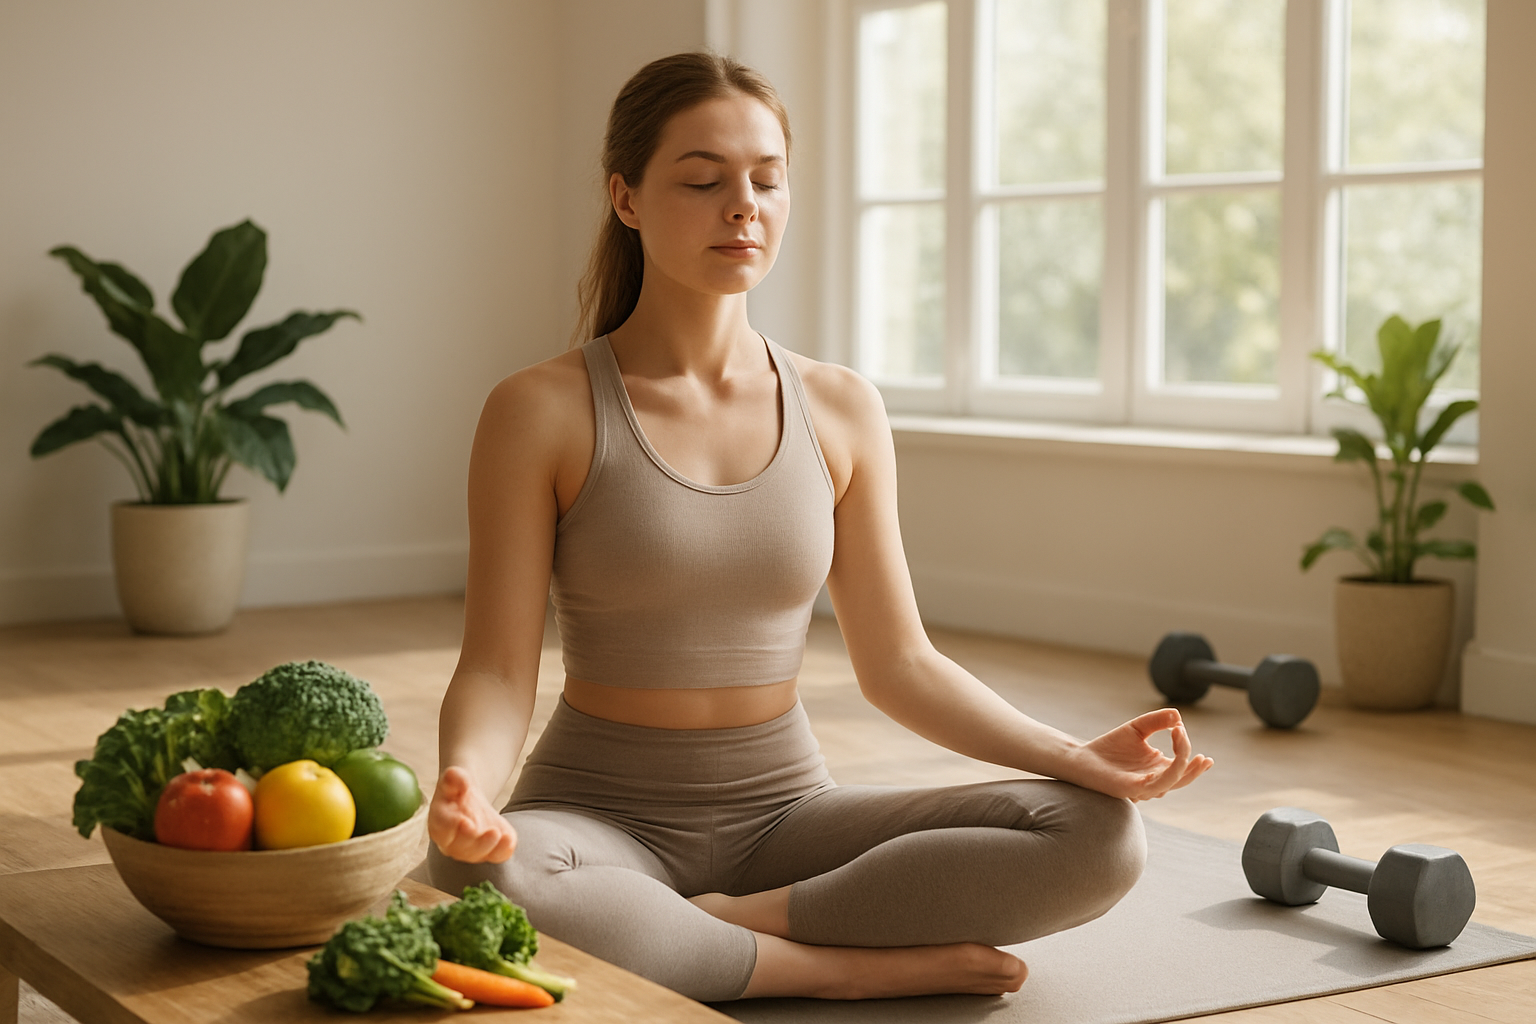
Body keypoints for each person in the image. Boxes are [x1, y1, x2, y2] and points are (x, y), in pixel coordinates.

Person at [427, 51, 1213, 1003]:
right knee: (481, 882)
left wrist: (1075, 757)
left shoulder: (840, 408)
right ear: (625, 198)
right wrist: (466, 784)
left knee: (1098, 835)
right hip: (598, 819)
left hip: (788, 817)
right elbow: (499, 669)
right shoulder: (541, 409)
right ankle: (840, 969)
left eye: (766, 179)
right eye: (703, 179)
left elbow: (901, 664)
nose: (742, 206)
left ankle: (731, 930)